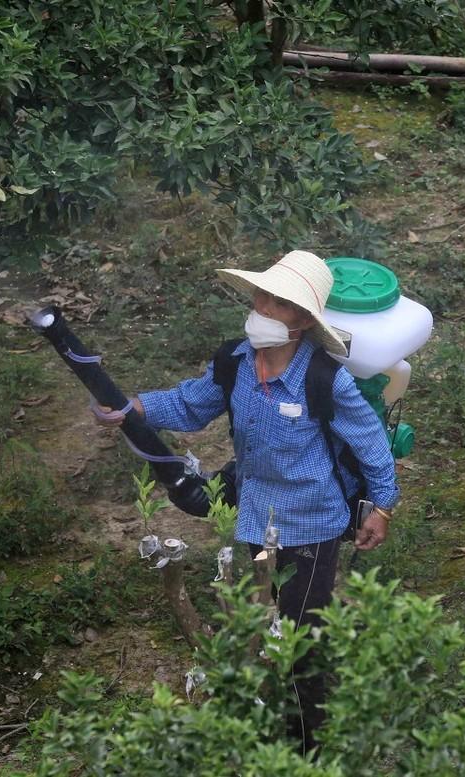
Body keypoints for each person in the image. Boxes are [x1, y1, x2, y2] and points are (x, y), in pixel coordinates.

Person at [94, 250, 400, 753]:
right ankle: (264, 722)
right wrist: (136, 406)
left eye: (278, 302)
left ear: (302, 319)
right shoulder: (235, 361)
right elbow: (193, 403)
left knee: (302, 632)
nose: (262, 307)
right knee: (264, 616)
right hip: (255, 513)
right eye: (261, 295)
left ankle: (307, 745)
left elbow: (371, 444)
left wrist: (382, 508)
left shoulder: (326, 380)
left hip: (312, 520)